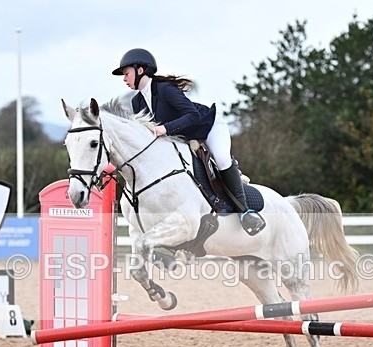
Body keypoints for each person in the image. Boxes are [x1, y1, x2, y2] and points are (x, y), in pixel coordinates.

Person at [112, 48, 266, 235]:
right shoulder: (137, 102)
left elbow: (192, 115)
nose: (124, 79)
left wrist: (166, 128)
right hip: (185, 137)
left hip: (208, 127)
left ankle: (245, 212)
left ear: (141, 70)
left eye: (126, 73)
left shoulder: (164, 89)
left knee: (223, 158)